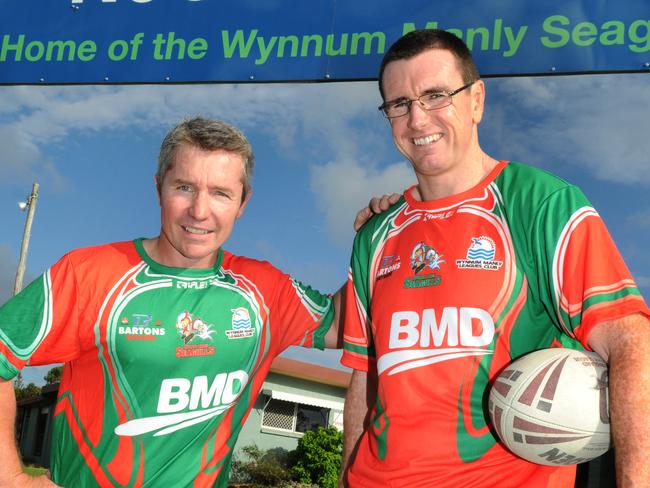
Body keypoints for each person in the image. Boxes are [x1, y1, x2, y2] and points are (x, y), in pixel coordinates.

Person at [340, 29, 650, 487]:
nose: (417, 119)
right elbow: (364, 381)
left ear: (476, 100)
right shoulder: (376, 233)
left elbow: (631, 342)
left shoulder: (541, 203)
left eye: (436, 95)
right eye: (399, 104)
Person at [0, 116, 344, 487]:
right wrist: (11, 477)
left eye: (220, 193)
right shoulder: (88, 274)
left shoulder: (266, 289)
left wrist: (384, 236)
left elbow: (346, 324)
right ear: (158, 187)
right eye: (184, 187)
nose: (199, 211)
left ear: (243, 202)